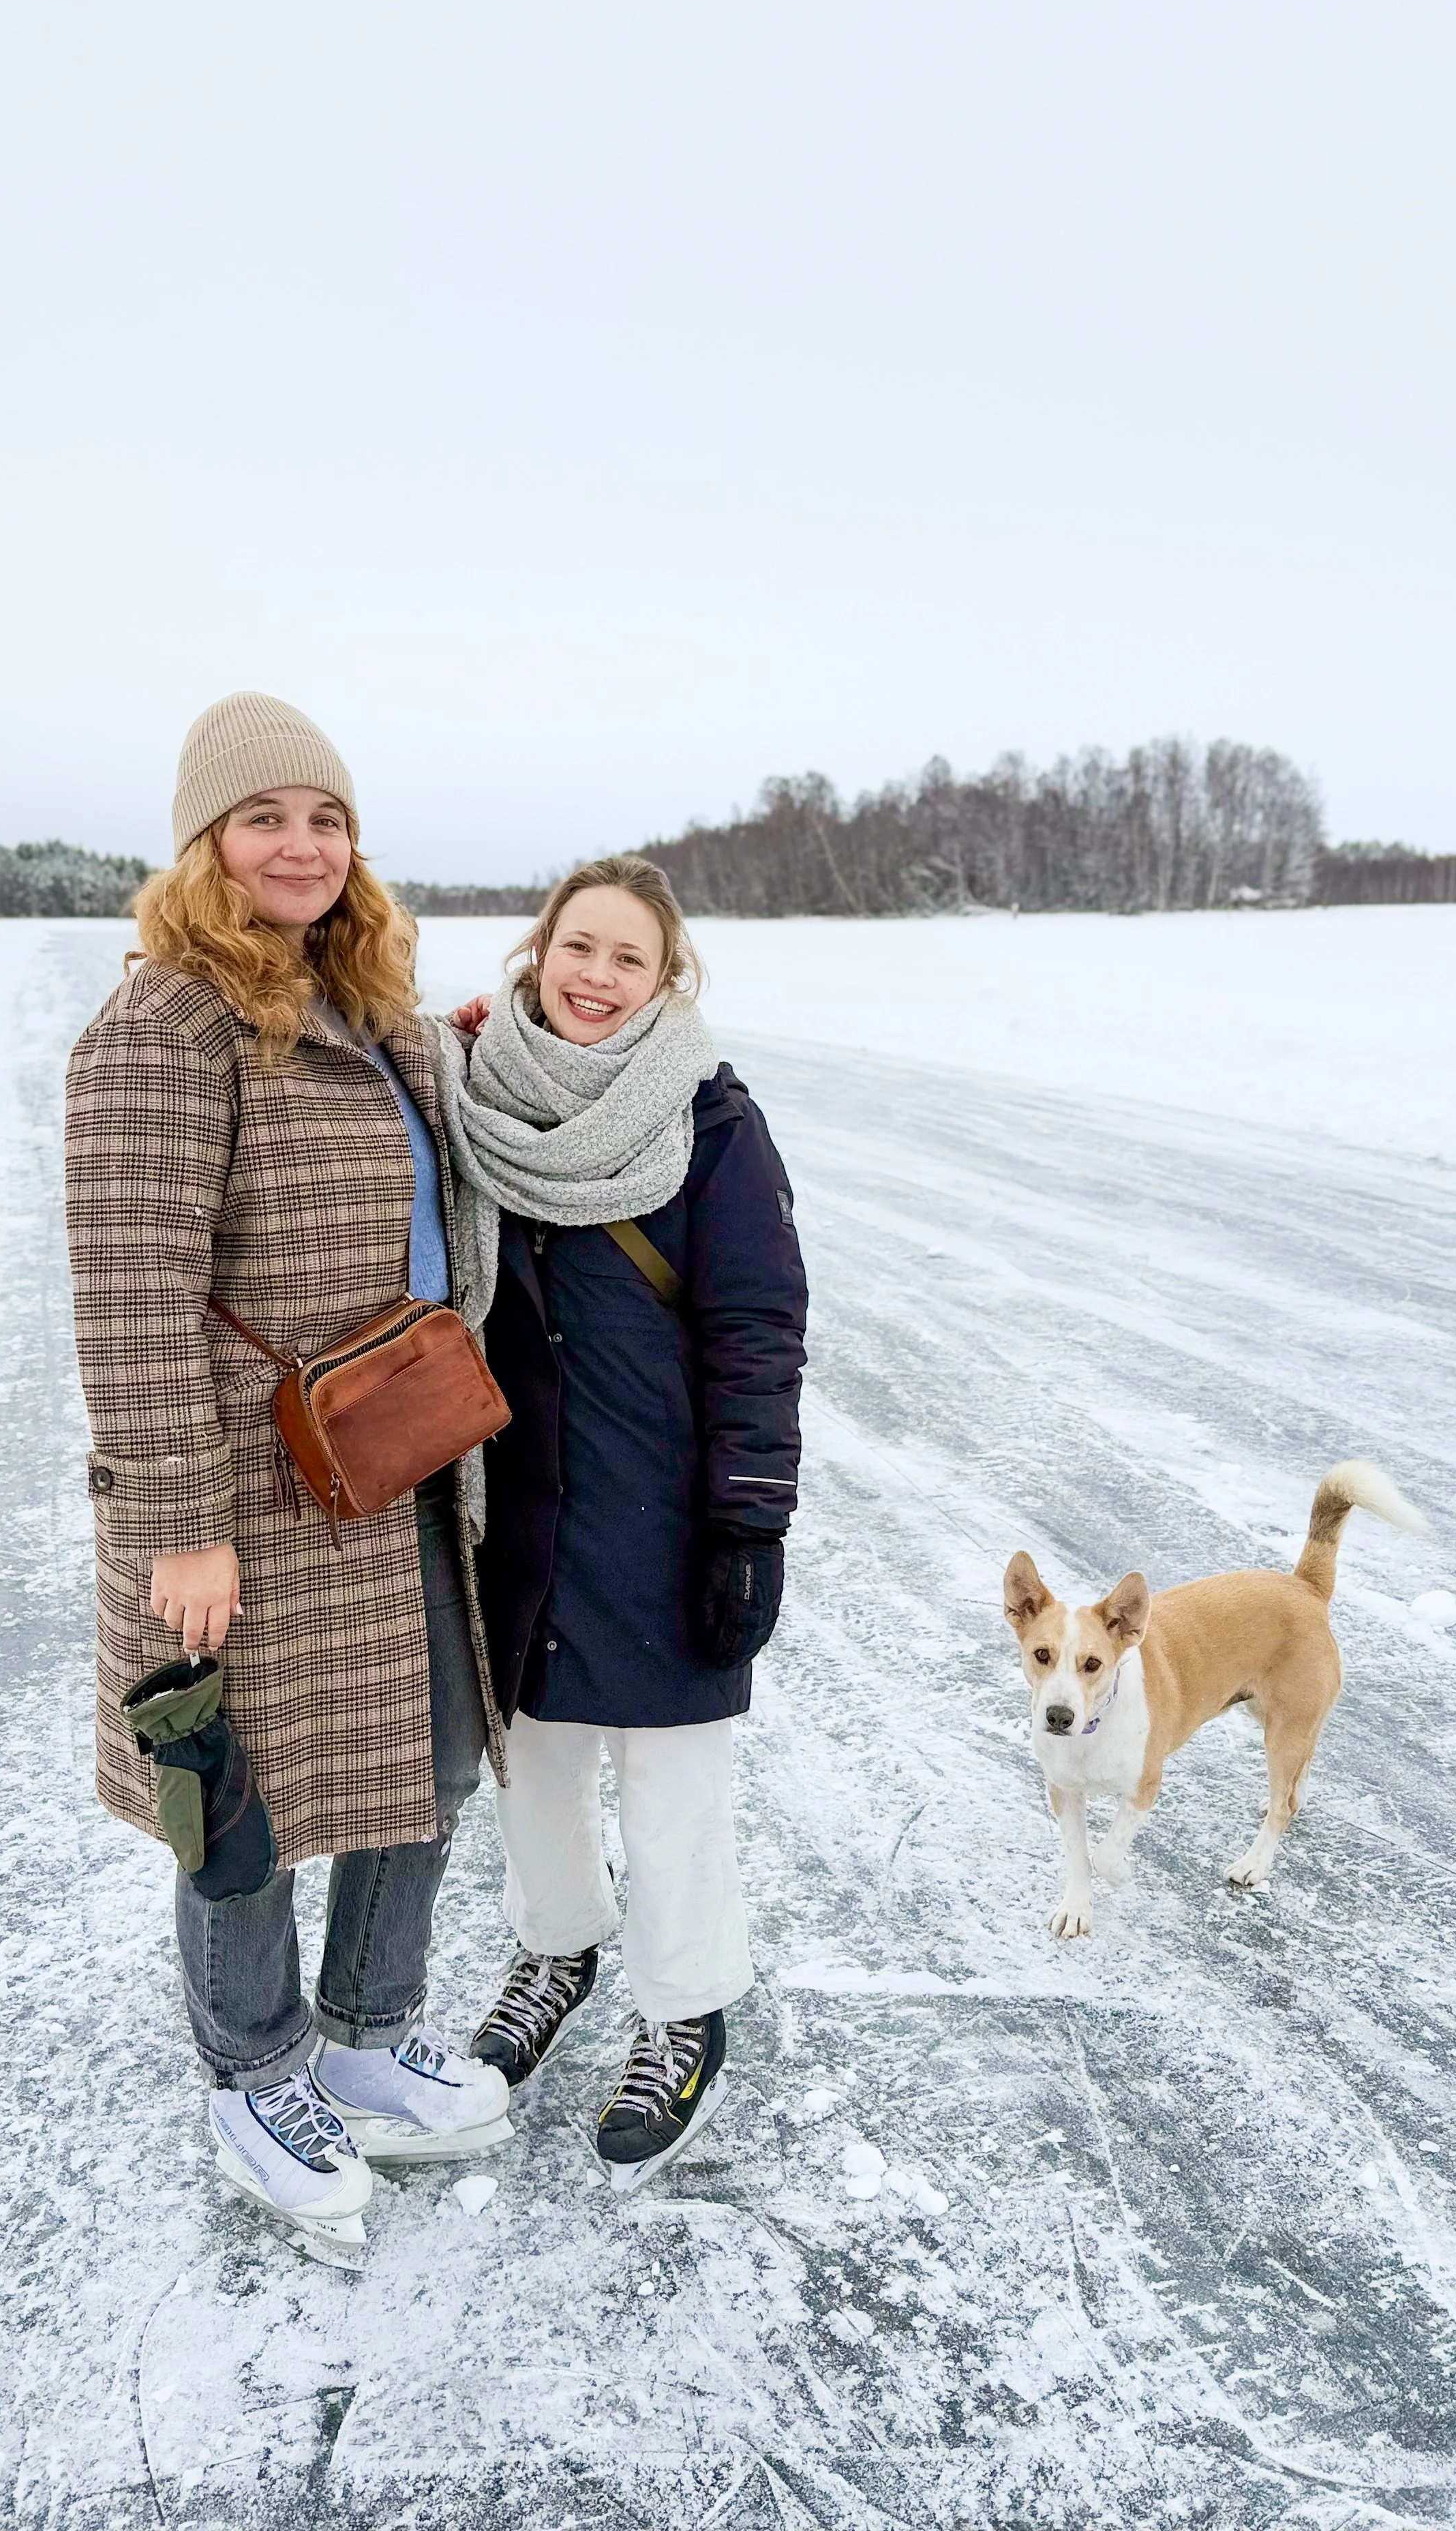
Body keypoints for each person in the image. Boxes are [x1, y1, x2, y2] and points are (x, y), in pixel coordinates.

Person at [64, 691, 511, 2260]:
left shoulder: (376, 1006)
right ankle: (255, 2076)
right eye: (266, 820)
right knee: (237, 1807)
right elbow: (131, 1297)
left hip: (389, 1464)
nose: (302, 847)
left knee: (436, 1760)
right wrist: (176, 1528)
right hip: (244, 1500)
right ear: (207, 843)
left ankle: (370, 2031)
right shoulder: (166, 1025)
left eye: (326, 820)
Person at [429, 855, 807, 2189]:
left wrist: (748, 1521)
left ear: (669, 979)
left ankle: (685, 2006)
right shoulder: (470, 1090)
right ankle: (558, 1947)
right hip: (518, 1504)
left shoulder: (711, 1123)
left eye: (627, 959)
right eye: (576, 947)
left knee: (673, 1788)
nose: (595, 977)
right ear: (536, 951)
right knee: (531, 1765)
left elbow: (758, 1329)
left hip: (664, 1510)